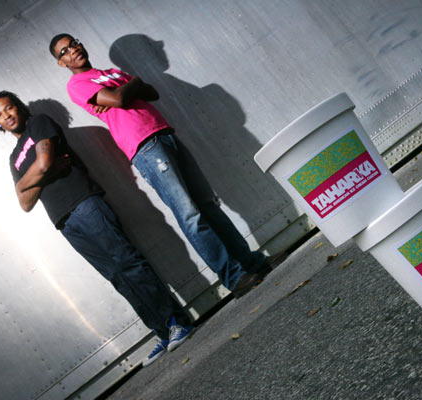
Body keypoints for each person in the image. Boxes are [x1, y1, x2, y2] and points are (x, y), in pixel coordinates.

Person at [49, 34, 282, 298]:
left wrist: (128, 87)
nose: (73, 50)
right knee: (190, 213)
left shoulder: (109, 72)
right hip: (144, 146)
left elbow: (152, 93)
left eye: (74, 43)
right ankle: (233, 277)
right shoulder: (77, 84)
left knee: (207, 203)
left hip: (164, 133)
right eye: (64, 51)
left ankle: (251, 263)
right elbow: (119, 100)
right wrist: (131, 82)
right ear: (61, 62)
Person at [0, 91, 193, 367]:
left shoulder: (39, 124)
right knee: (116, 276)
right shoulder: (14, 158)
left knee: (127, 262)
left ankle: (176, 322)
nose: (6, 116)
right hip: (64, 220)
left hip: (84, 202)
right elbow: (24, 202)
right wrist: (31, 180)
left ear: (19, 108)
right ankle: (162, 333)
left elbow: (45, 162)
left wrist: (30, 179)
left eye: (9, 108)